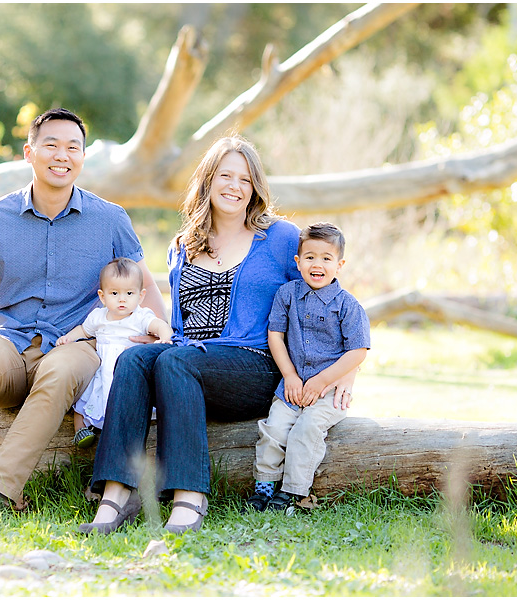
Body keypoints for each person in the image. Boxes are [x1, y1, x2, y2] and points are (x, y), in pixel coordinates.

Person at [81, 136, 357, 535]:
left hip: (255, 367)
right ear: (208, 181)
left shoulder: (279, 238)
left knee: (177, 360)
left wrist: (345, 371)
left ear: (255, 188)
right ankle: (115, 498)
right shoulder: (184, 244)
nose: (234, 186)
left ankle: (189, 498)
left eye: (245, 179)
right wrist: (157, 342)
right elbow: (180, 322)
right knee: (135, 358)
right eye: (225, 175)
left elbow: (330, 296)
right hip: (189, 363)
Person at [0, 108, 166, 527]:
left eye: (74, 147)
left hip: (77, 346)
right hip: (11, 343)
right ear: (28, 153)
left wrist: (157, 343)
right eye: (51, 144)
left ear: (83, 157)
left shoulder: (110, 219)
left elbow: (148, 291)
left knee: (60, 371)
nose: (62, 155)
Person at [247, 222, 371, 512]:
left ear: (339, 265)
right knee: (273, 429)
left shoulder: (348, 306)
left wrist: (323, 381)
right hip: (293, 386)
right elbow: (275, 335)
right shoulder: (287, 295)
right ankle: (263, 487)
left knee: (306, 430)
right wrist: (289, 375)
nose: (318, 264)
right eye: (310, 257)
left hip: (328, 391)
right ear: (298, 262)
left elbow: (358, 351)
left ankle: (291, 492)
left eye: (326, 258)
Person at [57, 257, 174, 449]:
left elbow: (159, 325)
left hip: (126, 370)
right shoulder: (99, 317)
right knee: (85, 397)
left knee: (129, 400)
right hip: (103, 369)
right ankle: (81, 430)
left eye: (129, 293)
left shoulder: (140, 316)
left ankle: (127, 432)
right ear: (102, 297)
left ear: (141, 295)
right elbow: (84, 331)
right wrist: (69, 338)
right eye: (114, 293)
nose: (122, 299)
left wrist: (164, 337)